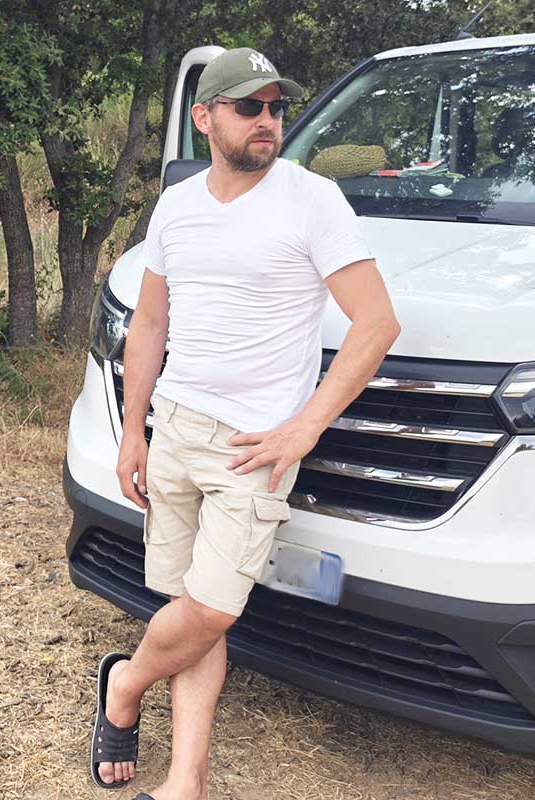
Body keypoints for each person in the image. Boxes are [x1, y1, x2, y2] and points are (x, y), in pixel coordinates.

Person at [89, 47, 401, 798]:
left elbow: (376, 324)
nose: (267, 120)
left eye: (276, 107)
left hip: (251, 447)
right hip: (175, 426)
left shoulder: (312, 200)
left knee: (211, 608)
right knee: (185, 604)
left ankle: (124, 685)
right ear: (204, 118)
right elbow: (151, 324)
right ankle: (186, 782)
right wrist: (133, 430)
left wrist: (305, 428)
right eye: (248, 107)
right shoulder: (177, 204)